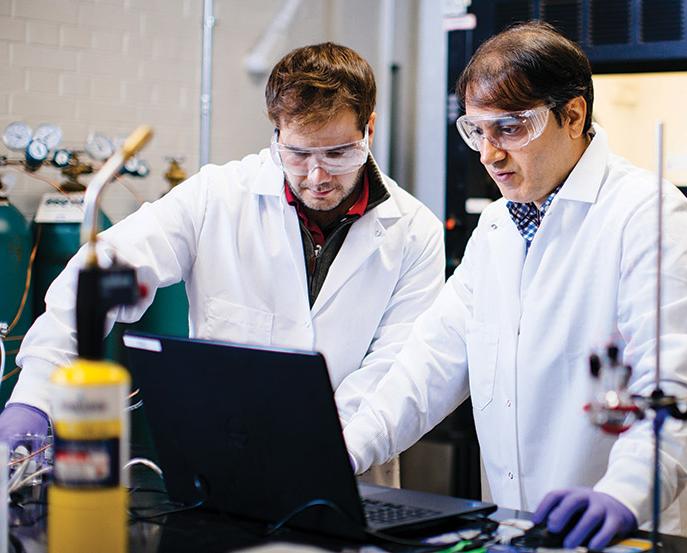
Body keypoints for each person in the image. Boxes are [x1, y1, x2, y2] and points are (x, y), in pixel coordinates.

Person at [342, 21, 687, 548]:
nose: (488, 153)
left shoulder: (653, 219)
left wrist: (623, 493)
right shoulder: (499, 227)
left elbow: (678, 384)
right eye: (477, 130)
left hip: (624, 532)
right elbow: (427, 366)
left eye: (509, 128)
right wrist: (340, 453)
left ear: (572, 115)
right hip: (517, 533)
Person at [1, 43, 445, 486]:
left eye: (337, 154)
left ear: (369, 128)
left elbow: (395, 372)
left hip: (352, 471)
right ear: (276, 133)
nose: (317, 177)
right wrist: (35, 394)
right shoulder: (216, 197)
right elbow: (96, 280)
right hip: (222, 467)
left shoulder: (414, 232)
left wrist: (328, 454)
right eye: (298, 154)